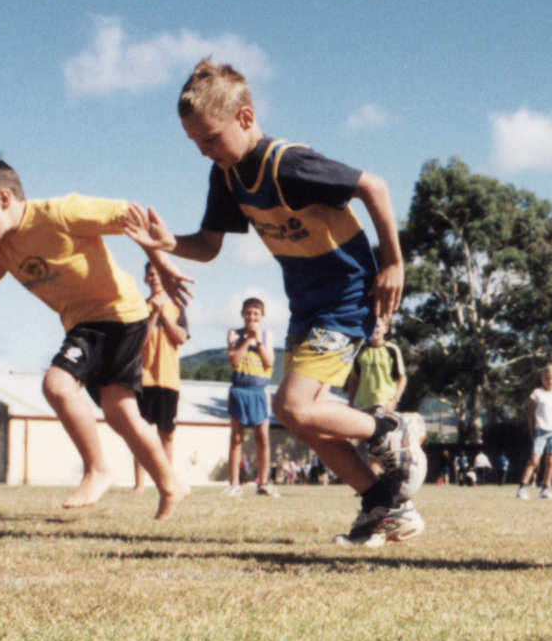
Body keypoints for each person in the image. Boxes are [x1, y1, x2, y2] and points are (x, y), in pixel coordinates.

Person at [152, 60, 427, 546]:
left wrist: (393, 262)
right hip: (307, 306)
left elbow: (374, 186)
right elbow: (210, 246)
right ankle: (384, 507)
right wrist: (162, 240)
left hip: (346, 299)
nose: (204, 152)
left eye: (210, 138)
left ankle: (392, 427)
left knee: (292, 406)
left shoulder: (288, 164)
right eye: (195, 143)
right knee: (304, 420)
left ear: (244, 117)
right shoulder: (227, 175)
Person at [0, 157, 188, 519]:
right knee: (121, 413)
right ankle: (171, 485)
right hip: (86, 323)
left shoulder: (61, 213)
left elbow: (133, 218)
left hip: (115, 313)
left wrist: (164, 264)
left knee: (57, 385)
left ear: (5, 198)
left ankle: (98, 468)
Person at [133, 260, 189, 493]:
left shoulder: (177, 305)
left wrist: (164, 314)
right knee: (140, 434)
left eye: (158, 274)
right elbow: (138, 343)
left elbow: (181, 338)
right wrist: (153, 313)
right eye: (150, 274)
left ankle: (165, 480)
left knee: (166, 434)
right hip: (143, 378)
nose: (154, 278)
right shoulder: (138, 306)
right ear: (146, 278)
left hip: (168, 379)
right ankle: (139, 483)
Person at [223, 297, 277, 497]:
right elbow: (234, 361)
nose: (251, 317)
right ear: (242, 314)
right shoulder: (234, 334)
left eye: (255, 314)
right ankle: (234, 483)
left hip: (259, 389)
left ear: (262, 316)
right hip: (240, 388)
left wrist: (259, 341)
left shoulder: (267, 335)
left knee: (262, 438)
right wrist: (247, 340)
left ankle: (263, 483)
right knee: (236, 437)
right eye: (248, 313)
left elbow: (269, 362)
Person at [517, 364, 552, 499]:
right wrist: (532, 429)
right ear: (542, 379)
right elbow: (530, 413)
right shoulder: (537, 393)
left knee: (550, 462)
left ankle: (545, 489)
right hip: (540, 430)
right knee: (534, 460)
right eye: (546, 379)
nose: (549, 382)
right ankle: (522, 488)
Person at [346, 320, 407, 412]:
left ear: (386, 329)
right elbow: (354, 379)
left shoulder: (392, 350)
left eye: (377, 326)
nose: (374, 329)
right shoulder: (360, 351)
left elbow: (402, 378)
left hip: (384, 404)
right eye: (371, 325)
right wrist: (350, 403)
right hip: (364, 405)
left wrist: (395, 400)